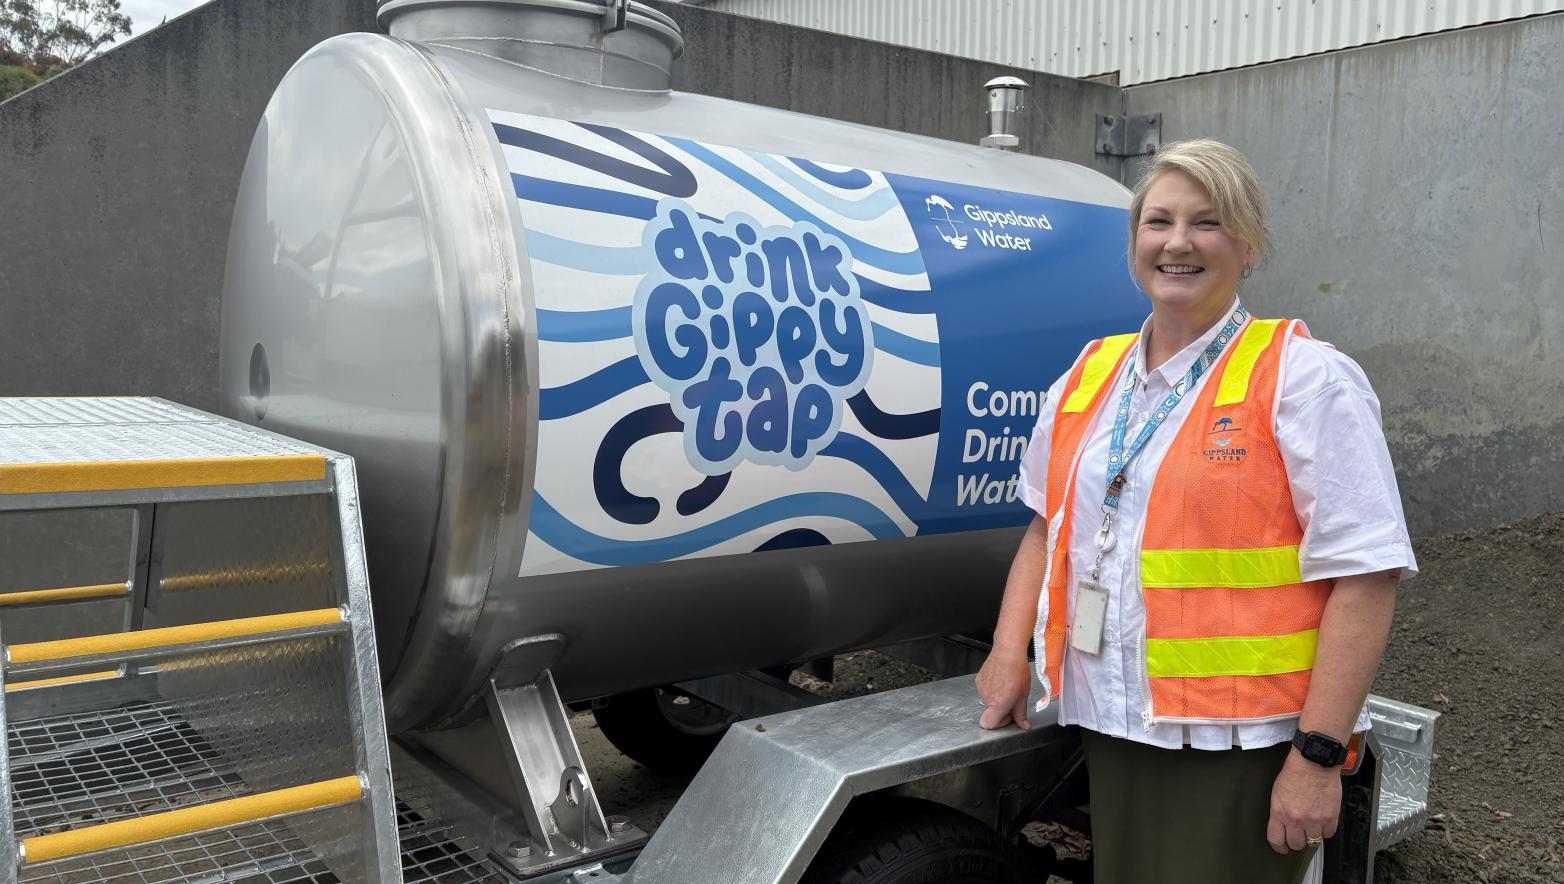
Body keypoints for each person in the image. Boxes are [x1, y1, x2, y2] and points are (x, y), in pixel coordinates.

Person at [975, 139, 1416, 884]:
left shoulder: (1304, 379)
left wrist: (1317, 757)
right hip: (1116, 724)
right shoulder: (1090, 374)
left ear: (1247, 246)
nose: (1177, 243)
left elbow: (1368, 578)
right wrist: (1005, 652)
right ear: (1134, 243)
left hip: (1241, 746)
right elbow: (1044, 528)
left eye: (1206, 223)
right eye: (1158, 221)